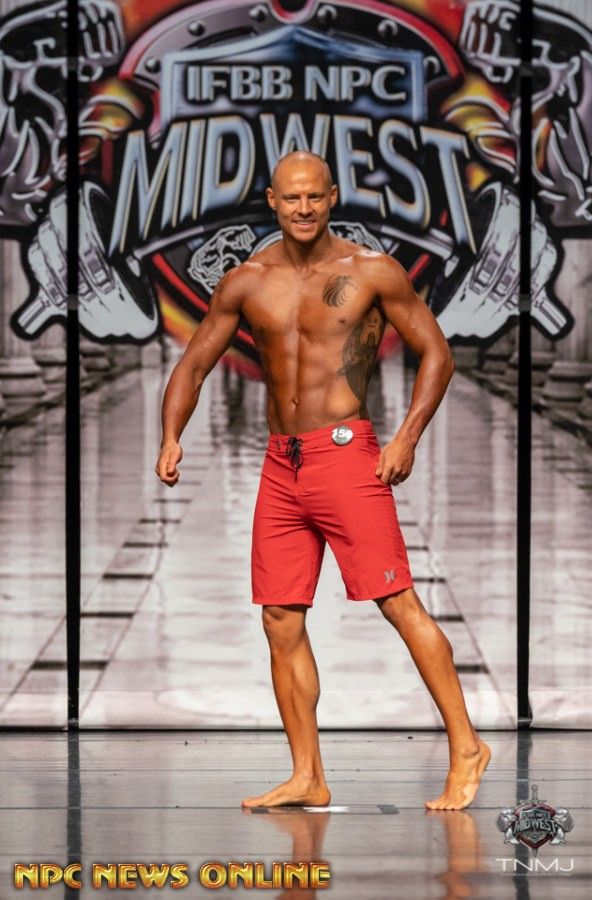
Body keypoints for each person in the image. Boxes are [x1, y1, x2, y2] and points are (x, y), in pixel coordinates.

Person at [155, 150, 491, 811]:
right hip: (281, 465)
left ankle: (467, 746)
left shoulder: (371, 271)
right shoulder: (246, 281)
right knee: (280, 618)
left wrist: (406, 437)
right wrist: (171, 435)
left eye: (314, 196)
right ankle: (307, 773)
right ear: (272, 201)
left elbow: (437, 353)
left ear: (332, 197)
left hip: (345, 456)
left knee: (398, 602)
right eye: (292, 198)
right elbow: (193, 365)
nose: (304, 208)